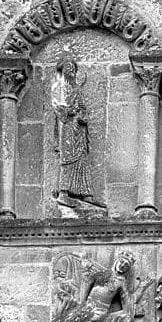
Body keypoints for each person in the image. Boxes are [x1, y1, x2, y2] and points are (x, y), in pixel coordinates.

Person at [50, 55, 106, 209]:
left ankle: (85, 193)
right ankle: (63, 193)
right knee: (67, 159)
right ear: (62, 70)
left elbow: (82, 108)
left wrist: (83, 116)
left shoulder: (76, 88)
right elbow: (57, 107)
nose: (72, 70)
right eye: (68, 67)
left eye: (74, 68)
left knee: (82, 159)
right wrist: (70, 111)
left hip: (79, 129)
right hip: (67, 128)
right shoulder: (59, 87)